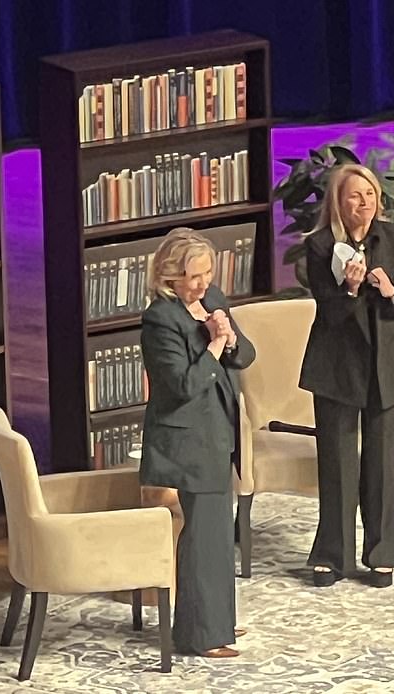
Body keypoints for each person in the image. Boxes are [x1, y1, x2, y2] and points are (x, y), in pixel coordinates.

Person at [299, 163, 394, 588]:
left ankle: (382, 554)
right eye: (355, 195)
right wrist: (350, 290)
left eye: (370, 194)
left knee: (383, 463)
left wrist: (390, 291)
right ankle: (331, 557)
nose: (365, 203)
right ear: (338, 202)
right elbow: (329, 314)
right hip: (337, 365)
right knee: (336, 462)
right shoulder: (319, 247)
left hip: (385, 365)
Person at [140, 228, 256, 657]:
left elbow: (245, 357)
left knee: (217, 534)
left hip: (218, 431)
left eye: (207, 273)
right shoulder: (160, 320)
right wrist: (215, 343)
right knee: (203, 536)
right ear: (170, 275)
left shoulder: (213, 299)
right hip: (187, 440)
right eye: (193, 276)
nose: (203, 283)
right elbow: (182, 385)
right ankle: (200, 635)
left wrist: (230, 338)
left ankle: (216, 619)